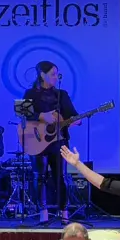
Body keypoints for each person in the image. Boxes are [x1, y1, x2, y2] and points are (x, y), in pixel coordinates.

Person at [22, 61, 78, 223]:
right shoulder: (30, 93)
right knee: (39, 176)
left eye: (56, 74)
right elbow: (23, 114)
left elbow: (72, 114)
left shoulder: (62, 94)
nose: (55, 77)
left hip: (58, 141)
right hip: (36, 141)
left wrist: (75, 120)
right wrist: (41, 116)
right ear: (42, 75)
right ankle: (42, 211)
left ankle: (63, 211)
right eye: (52, 74)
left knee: (61, 176)